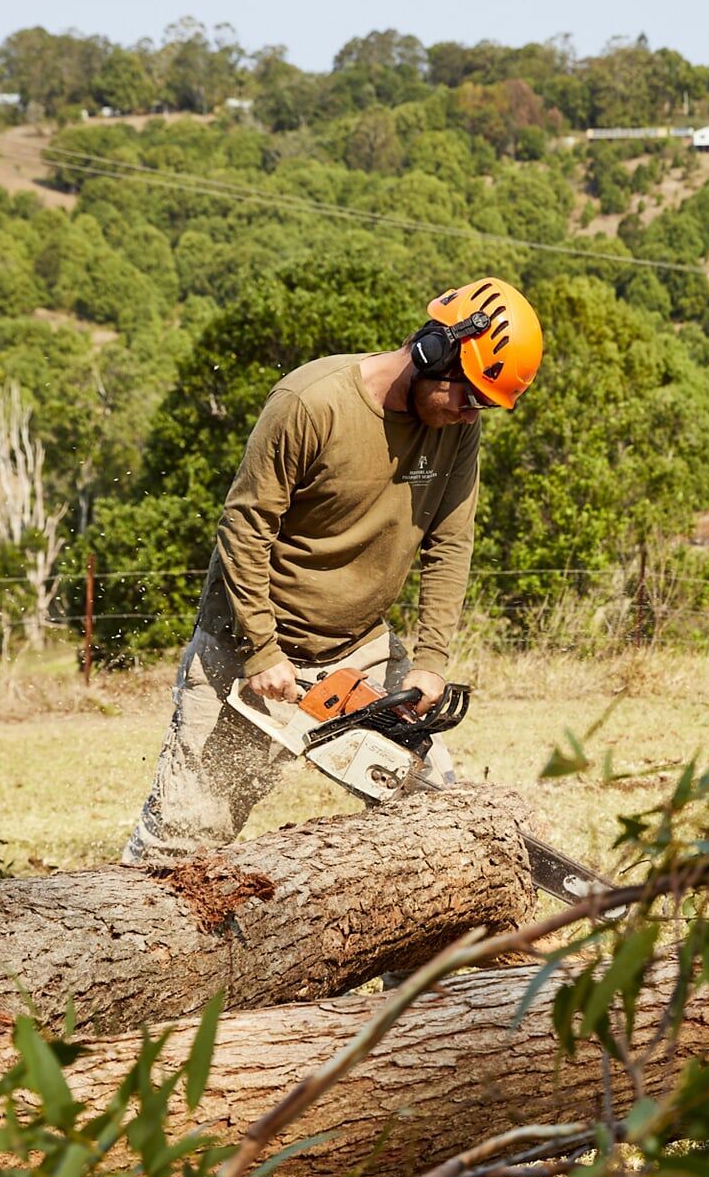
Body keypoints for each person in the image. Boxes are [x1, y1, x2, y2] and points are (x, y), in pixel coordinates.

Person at [122, 277, 543, 863]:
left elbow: (450, 543)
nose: (473, 416)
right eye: (470, 397)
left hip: (359, 650)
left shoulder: (458, 432)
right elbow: (244, 528)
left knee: (439, 821)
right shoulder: (311, 403)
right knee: (179, 848)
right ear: (435, 352)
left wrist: (430, 662)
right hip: (250, 651)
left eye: (485, 406)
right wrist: (261, 649)